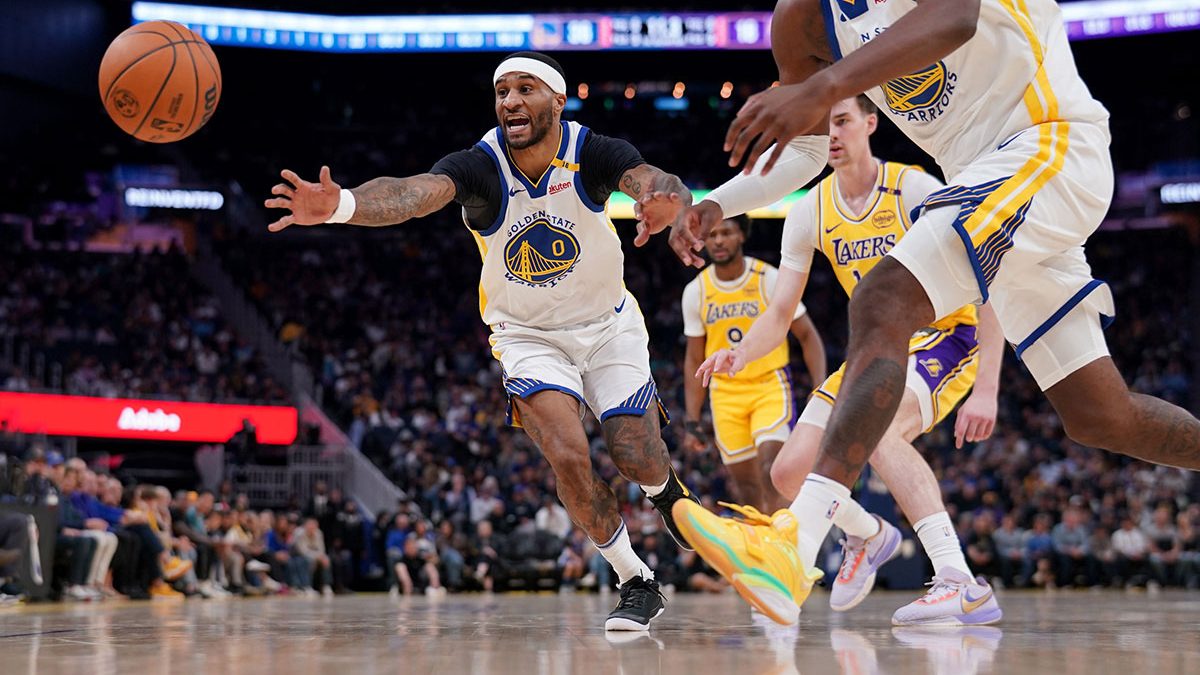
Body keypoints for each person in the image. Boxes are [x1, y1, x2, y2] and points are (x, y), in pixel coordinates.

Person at [666, 0, 1200, 625]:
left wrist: (826, 84)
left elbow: (953, 20)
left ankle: (795, 544)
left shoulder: (862, 90)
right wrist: (716, 204)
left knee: (883, 297)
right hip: (987, 184)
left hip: (1049, 143)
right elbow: (810, 148)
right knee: (1102, 416)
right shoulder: (803, 17)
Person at [264, 51, 699, 631]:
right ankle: (635, 578)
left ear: (557, 100)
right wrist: (343, 205)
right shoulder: (481, 165)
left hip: (607, 325)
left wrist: (667, 196)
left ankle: (665, 493)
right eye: (501, 91)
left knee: (634, 454)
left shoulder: (592, 150)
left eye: (525, 89)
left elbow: (646, 178)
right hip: (527, 336)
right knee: (568, 454)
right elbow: (416, 192)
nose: (510, 101)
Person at [688, 95, 1004, 624]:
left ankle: (959, 581)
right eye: (821, 125)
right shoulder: (809, 209)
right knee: (788, 473)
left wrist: (988, 387)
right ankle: (868, 534)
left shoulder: (914, 190)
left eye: (842, 121)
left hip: (946, 336)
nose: (831, 134)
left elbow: (989, 283)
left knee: (877, 429)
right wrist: (739, 353)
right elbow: (781, 311)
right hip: (875, 349)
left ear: (870, 123)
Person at [681, 213, 826, 513]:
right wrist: (693, 419)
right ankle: (763, 553)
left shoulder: (769, 278)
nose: (719, 240)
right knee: (746, 489)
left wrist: (819, 388)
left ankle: (788, 546)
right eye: (712, 235)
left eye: (727, 232)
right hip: (725, 395)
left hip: (769, 385)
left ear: (742, 235)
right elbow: (695, 358)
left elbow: (808, 335)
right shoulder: (696, 291)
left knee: (773, 470)